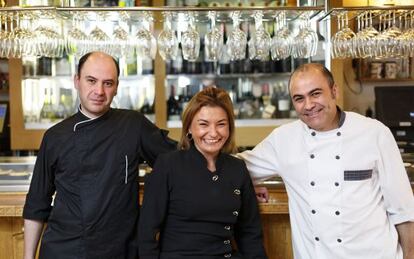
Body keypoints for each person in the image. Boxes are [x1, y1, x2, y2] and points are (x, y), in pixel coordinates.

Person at [239, 63, 414, 259]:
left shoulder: (374, 133)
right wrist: (243, 187)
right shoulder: (283, 140)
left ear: (334, 91)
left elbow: (403, 211)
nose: (308, 105)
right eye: (299, 98)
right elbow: (233, 169)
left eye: (315, 93)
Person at [23, 51, 176, 259]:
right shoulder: (55, 136)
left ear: (116, 87)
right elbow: (36, 204)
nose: (99, 91)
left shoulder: (133, 125)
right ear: (77, 81)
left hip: (119, 250)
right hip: (65, 249)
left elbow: (177, 161)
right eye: (91, 81)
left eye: (108, 83)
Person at [138, 86, 267, 259]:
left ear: (229, 128)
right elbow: (147, 234)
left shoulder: (237, 169)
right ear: (189, 128)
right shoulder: (168, 165)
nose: (213, 133)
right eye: (203, 124)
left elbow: (250, 234)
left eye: (221, 124)